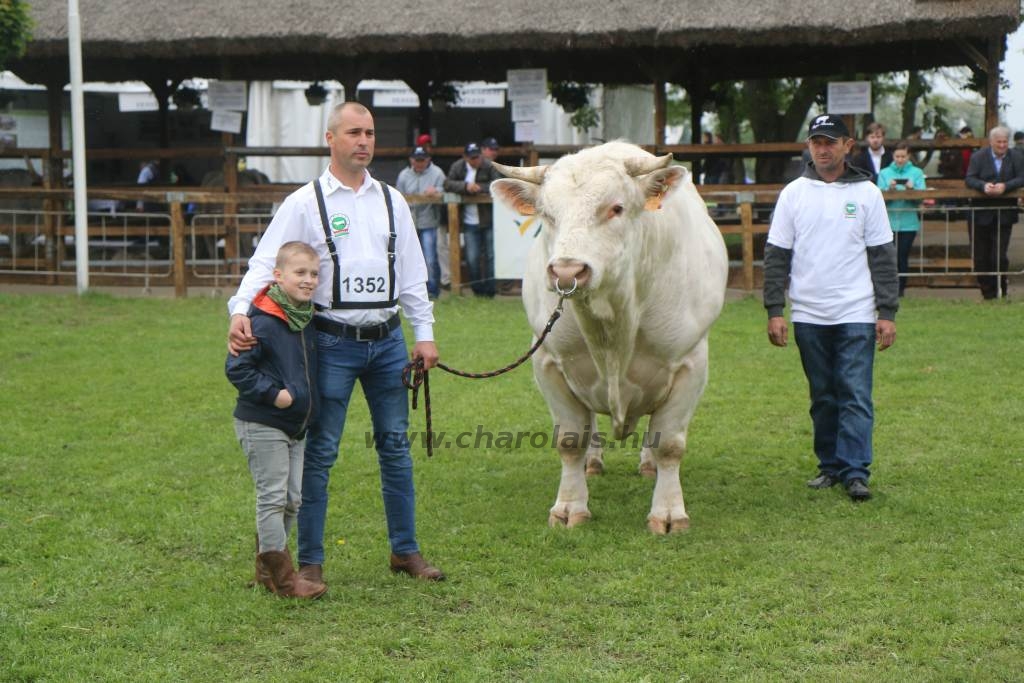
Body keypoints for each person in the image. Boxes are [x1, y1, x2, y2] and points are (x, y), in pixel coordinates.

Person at [228, 101, 445, 585]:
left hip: (388, 341)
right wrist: (240, 310)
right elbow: (266, 263)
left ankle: (404, 551)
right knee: (320, 451)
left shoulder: (392, 200)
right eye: (353, 132)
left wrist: (424, 335)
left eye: (369, 133)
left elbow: (412, 274)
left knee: (395, 448)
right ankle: (310, 560)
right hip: (330, 343)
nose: (363, 141)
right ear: (331, 138)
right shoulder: (304, 202)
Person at [763, 113, 898, 502]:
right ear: (809, 146)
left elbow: (883, 257)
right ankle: (830, 466)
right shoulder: (794, 194)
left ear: (847, 146)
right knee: (823, 395)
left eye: (830, 142)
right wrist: (775, 308)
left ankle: (856, 471)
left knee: (855, 393)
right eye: (816, 142)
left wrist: (886, 312)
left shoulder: (867, 194)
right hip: (808, 314)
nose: (823, 149)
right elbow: (776, 256)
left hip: (856, 312)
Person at [225, 241, 327, 599]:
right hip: (263, 422)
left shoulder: (306, 317)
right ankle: (284, 580)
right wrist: (275, 394)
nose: (309, 280)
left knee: (292, 499)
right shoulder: (262, 319)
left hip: (295, 427)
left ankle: (266, 571)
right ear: (278, 275)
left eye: (314, 273)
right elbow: (237, 368)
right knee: (272, 497)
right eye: (300, 273)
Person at [964, 125, 1024, 300]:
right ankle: (987, 293)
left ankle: (1001, 289)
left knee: (999, 255)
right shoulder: (978, 157)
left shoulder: (1017, 157)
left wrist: (1006, 187)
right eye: (999, 142)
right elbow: (970, 178)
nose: (1003, 145)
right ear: (991, 142)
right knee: (981, 256)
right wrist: (983, 186)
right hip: (980, 212)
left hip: (1004, 211)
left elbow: (1021, 177)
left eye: (1005, 142)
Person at [444, 141, 499, 297]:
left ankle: (490, 291)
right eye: (472, 157)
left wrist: (479, 188)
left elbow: (497, 184)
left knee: (490, 256)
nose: (476, 160)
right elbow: (447, 183)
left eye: (478, 157)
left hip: (488, 220)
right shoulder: (457, 167)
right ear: (465, 157)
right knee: (472, 258)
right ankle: (477, 290)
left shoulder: (489, 166)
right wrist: (465, 186)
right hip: (468, 221)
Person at [877, 140, 928, 297]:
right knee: (889, 258)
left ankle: (901, 290)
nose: (900, 159)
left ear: (908, 156)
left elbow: (923, 196)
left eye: (903, 156)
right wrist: (889, 190)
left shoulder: (917, 173)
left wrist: (912, 190)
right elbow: (878, 196)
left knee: (902, 256)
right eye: (897, 156)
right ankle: (888, 289)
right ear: (893, 156)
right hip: (889, 222)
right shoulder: (884, 173)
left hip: (908, 222)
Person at [396, 145, 446, 299]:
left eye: (422, 160)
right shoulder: (404, 175)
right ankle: (409, 289)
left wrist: (436, 192)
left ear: (428, 159)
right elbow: (398, 196)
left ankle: (432, 289)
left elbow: (445, 190)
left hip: (429, 220)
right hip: (409, 222)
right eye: (417, 160)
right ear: (411, 160)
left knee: (430, 257)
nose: (419, 163)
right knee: (405, 256)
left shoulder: (437, 173)